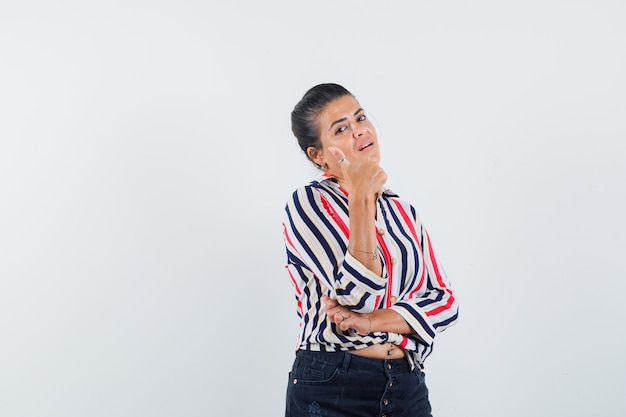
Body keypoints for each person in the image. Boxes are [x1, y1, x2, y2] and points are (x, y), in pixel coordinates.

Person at [282, 83, 459, 417]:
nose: (359, 131)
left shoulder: (404, 212)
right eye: (341, 128)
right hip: (333, 382)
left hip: (406, 383)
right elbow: (357, 297)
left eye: (360, 117)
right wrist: (361, 197)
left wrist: (371, 322)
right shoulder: (309, 203)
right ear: (319, 155)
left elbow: (445, 303)